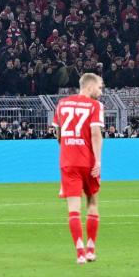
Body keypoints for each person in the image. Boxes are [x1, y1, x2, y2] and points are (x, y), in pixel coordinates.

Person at [51, 72, 105, 264]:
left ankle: (80, 252)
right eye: (99, 87)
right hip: (88, 161)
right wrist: (98, 161)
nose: (100, 91)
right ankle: (91, 249)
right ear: (89, 87)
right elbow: (96, 134)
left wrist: (66, 148)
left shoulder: (62, 104)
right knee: (92, 204)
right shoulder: (95, 105)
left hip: (68, 162)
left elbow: (58, 135)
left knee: (73, 210)